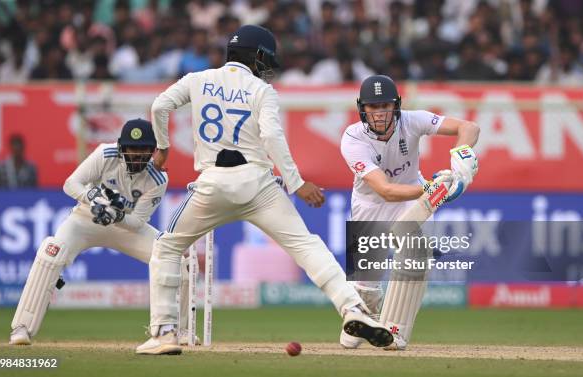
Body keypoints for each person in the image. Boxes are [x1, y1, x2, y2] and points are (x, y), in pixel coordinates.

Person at [137, 24, 393, 355]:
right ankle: (352, 309)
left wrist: (163, 147)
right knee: (307, 246)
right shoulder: (261, 90)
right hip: (258, 184)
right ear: (257, 56)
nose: (268, 66)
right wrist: (297, 183)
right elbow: (272, 137)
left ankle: (165, 333)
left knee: (167, 248)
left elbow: (159, 106)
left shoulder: (196, 80)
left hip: (212, 183)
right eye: (266, 59)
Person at [339, 75, 479, 350]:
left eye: (385, 106)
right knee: (365, 290)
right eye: (372, 107)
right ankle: (365, 317)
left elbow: (469, 126)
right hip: (371, 205)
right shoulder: (352, 138)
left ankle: (396, 332)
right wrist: (433, 188)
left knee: (414, 255)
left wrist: (462, 153)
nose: (379, 113)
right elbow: (385, 190)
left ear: (396, 106)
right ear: (362, 109)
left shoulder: (412, 120)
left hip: (412, 199)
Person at [9, 119, 169, 345]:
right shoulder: (105, 153)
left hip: (123, 226)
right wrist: (93, 198)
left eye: (144, 149)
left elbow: (138, 222)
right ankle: (21, 328)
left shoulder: (158, 178)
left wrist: (116, 215)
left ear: (152, 150)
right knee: (51, 253)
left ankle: (172, 332)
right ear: (123, 148)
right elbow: (71, 183)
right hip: (85, 219)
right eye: (134, 149)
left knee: (170, 256)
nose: (139, 155)